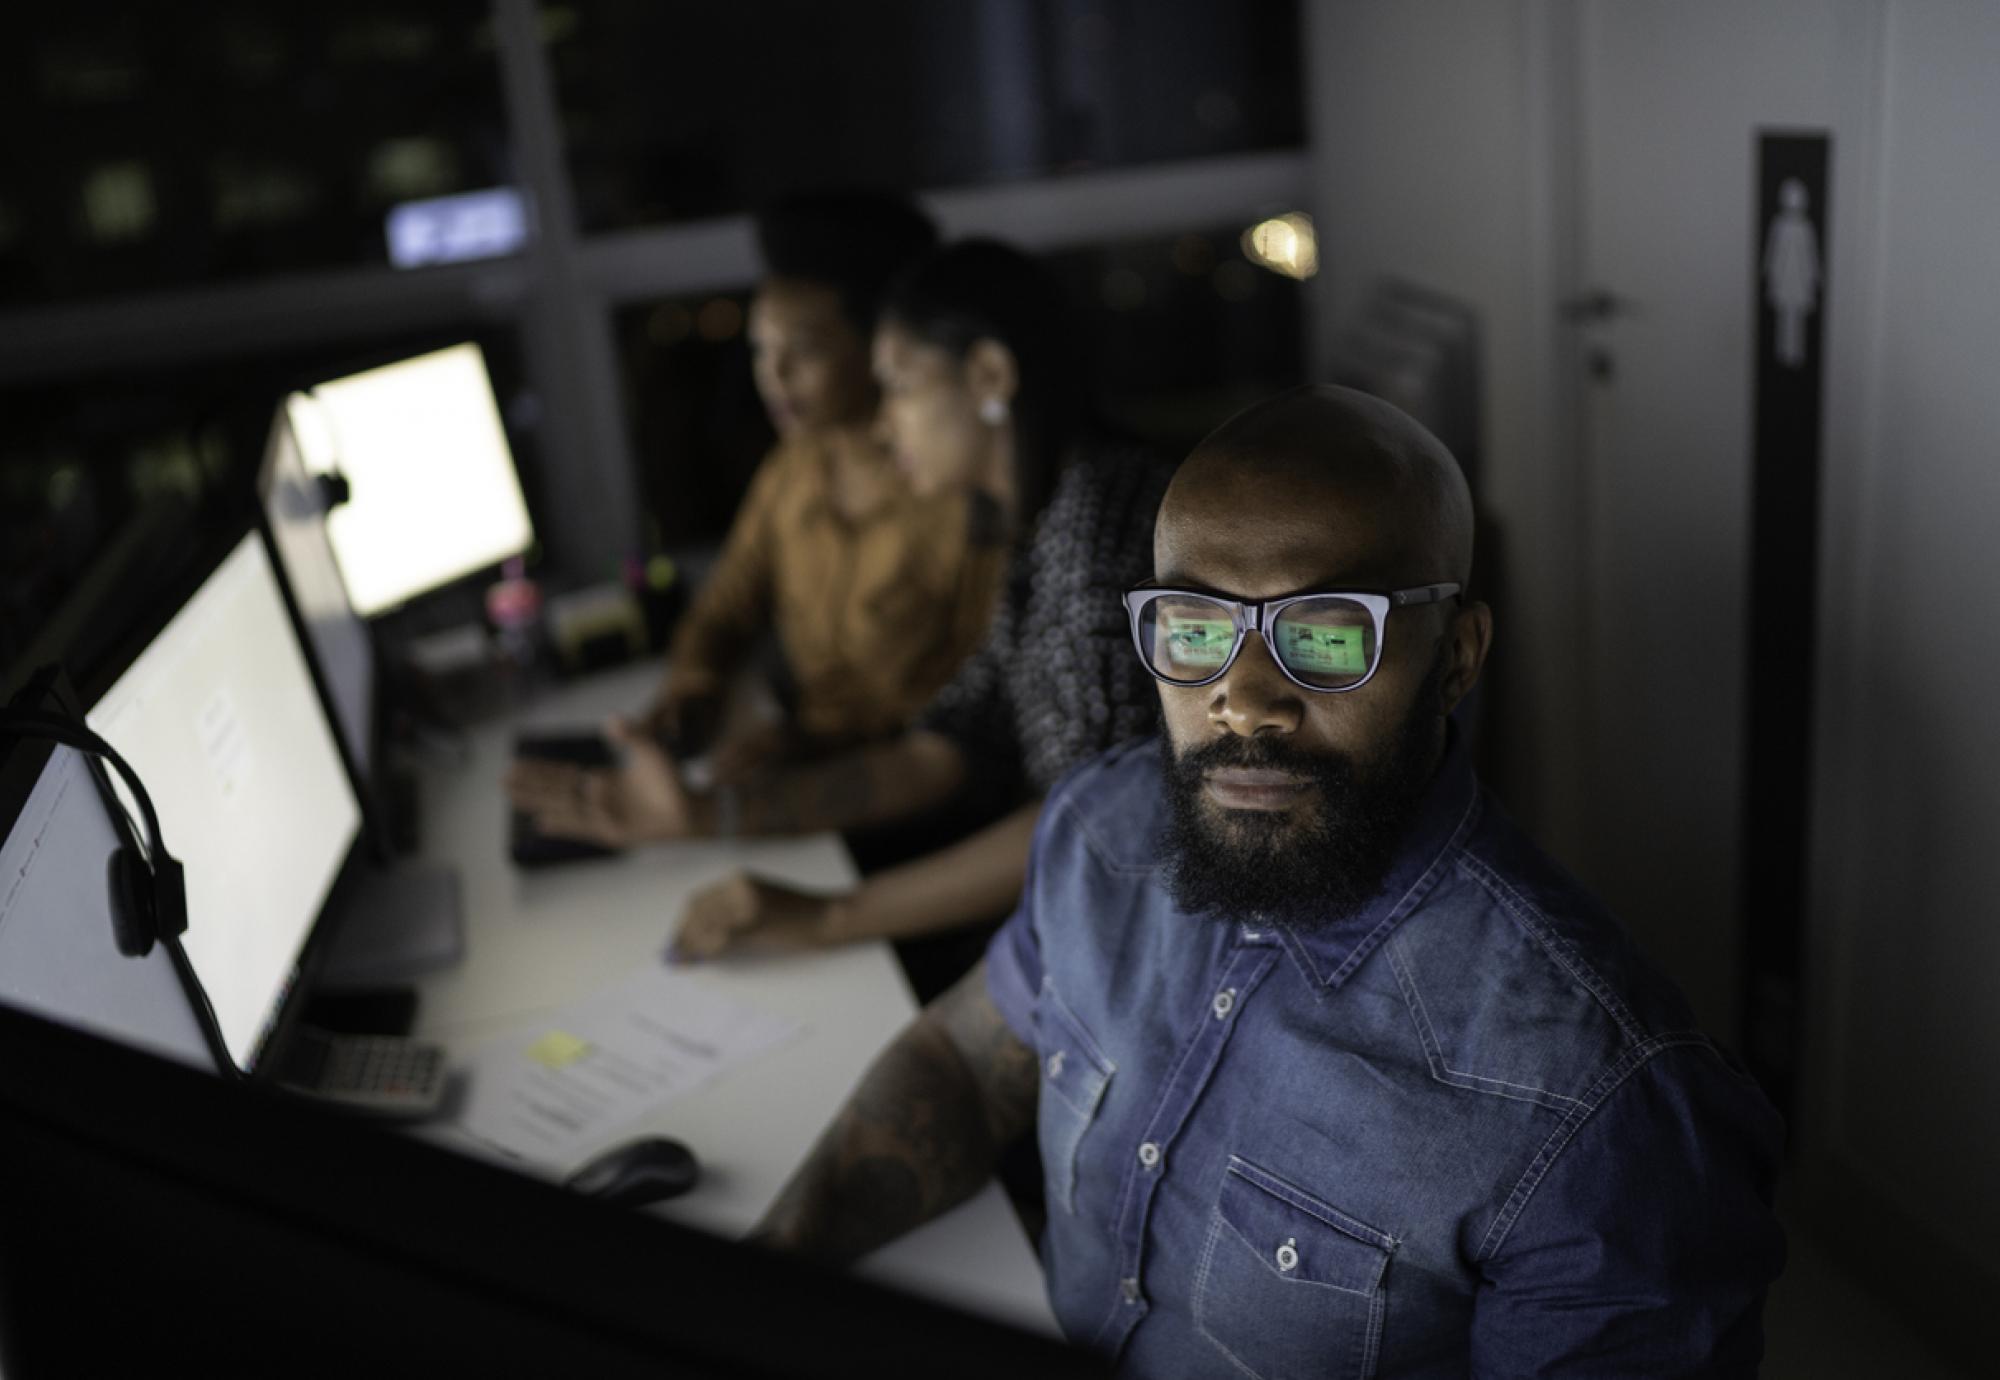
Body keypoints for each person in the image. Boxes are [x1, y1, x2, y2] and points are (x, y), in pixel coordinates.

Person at [745, 386, 1788, 1377]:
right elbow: (966, 1065)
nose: (1242, 702)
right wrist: (750, 1279)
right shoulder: (1097, 833)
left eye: (1327, 635)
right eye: (1195, 633)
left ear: (1458, 656)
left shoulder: (1604, 1105)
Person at [507, 240, 1172, 984]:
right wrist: (706, 813)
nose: (885, 426)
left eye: (898, 386)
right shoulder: (1033, 523)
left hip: (1129, 953)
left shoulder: (1100, 526)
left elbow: (1094, 831)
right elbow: (945, 748)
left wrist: (828, 916)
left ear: (989, 376)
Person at [640, 190, 997, 779]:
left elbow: (971, 717)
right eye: (761, 350)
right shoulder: (792, 469)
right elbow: (724, 608)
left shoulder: (957, 492)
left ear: (881, 347)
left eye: (802, 352)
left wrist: (807, 750)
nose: (773, 377)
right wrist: (694, 685)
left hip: (897, 792)